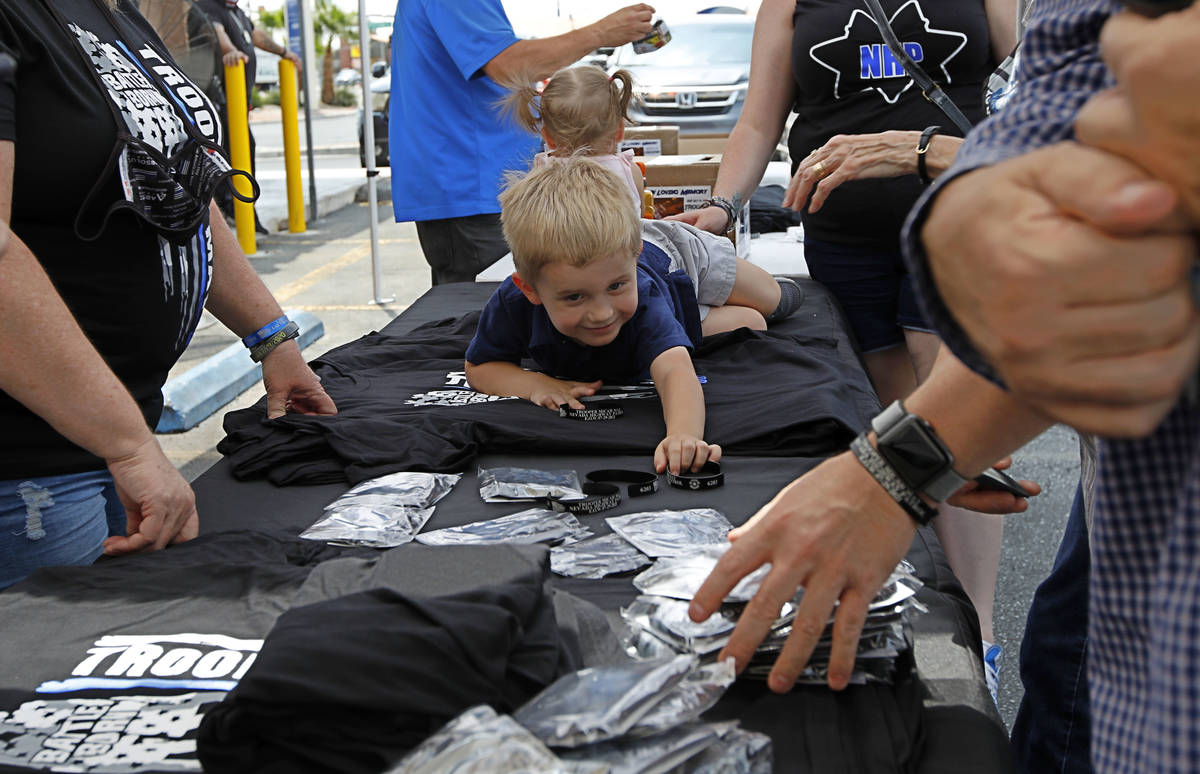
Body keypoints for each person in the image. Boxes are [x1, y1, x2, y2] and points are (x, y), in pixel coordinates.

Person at [692, 1, 1200, 772]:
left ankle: (977, 644)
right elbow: (1078, 225)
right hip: (1139, 476)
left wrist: (891, 475)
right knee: (1074, 669)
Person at [671, 0, 1018, 682]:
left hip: (960, 215)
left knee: (955, 407)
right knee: (892, 419)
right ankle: (914, 605)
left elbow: (1026, 82)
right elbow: (758, 120)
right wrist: (723, 206)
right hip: (843, 233)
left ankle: (978, 637)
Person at [0, 0, 336, 590]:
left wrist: (273, 338)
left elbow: (184, 192)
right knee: (53, 667)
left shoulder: (107, 10)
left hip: (111, 436)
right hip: (30, 464)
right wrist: (129, 447)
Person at [463, 157, 803, 475]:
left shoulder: (643, 295)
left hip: (677, 255)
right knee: (752, 325)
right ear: (531, 291)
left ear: (632, 260)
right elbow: (481, 366)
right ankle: (693, 317)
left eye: (615, 287)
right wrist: (535, 384)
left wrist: (683, 435)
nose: (601, 313)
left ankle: (766, 293)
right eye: (575, 296)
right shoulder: (513, 301)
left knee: (771, 301)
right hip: (660, 303)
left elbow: (674, 372)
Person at [388, 0, 656, 285]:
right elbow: (509, 65)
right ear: (620, 129)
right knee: (492, 315)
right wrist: (601, 33)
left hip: (475, 185)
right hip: (473, 190)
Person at [199, 0, 300, 233]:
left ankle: (245, 213)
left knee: (244, 152)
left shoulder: (236, 12)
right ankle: (236, 212)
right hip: (221, 101)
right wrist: (231, 51)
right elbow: (217, 33)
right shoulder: (209, 7)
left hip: (240, 102)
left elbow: (255, 36)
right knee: (231, 155)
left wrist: (285, 52)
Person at [503, 64, 645, 214]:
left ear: (548, 138)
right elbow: (641, 227)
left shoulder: (540, 174)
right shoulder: (630, 172)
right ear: (619, 131)